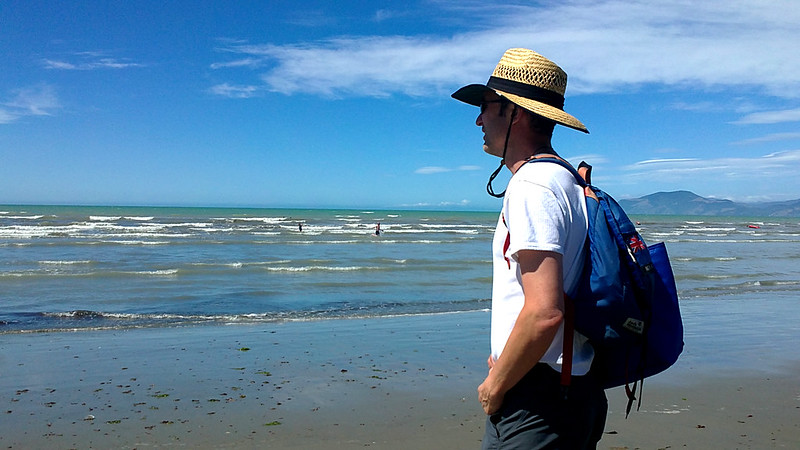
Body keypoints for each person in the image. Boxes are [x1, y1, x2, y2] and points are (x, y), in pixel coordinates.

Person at [451, 48, 607, 448]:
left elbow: (543, 313)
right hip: (572, 389)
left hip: (538, 402)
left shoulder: (532, 186)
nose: (478, 119)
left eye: (486, 107)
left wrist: (496, 384)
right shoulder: (568, 180)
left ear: (515, 113)